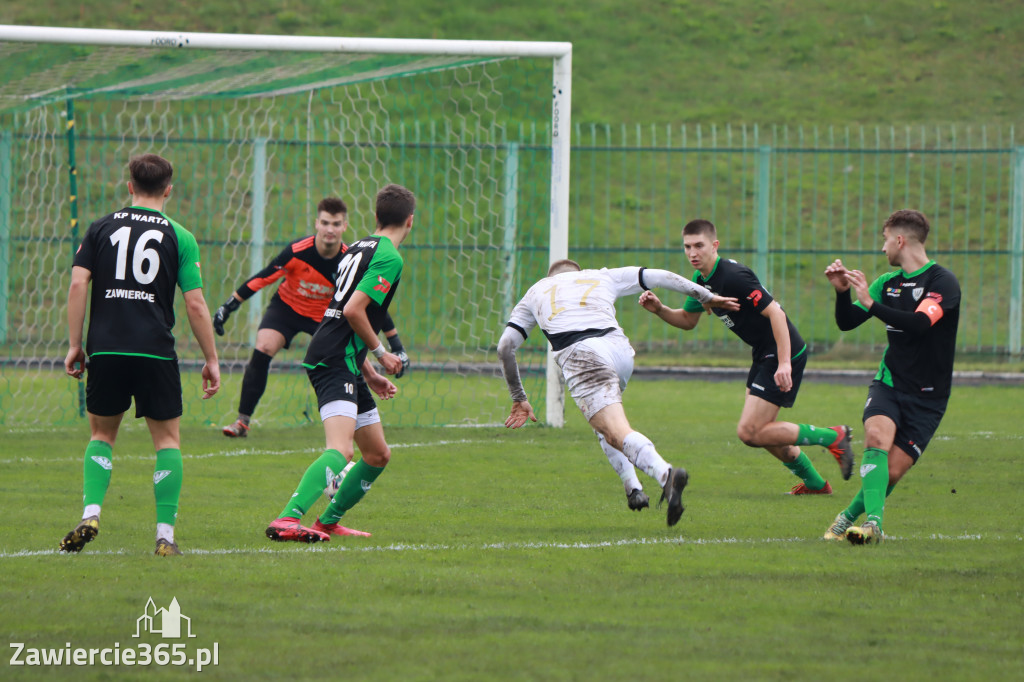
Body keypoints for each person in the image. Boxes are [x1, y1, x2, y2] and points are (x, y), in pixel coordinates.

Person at [60, 153, 221, 557]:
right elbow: (197, 305)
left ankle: (91, 513)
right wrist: (212, 359)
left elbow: (79, 285)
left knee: (102, 434)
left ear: (129, 186)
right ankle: (164, 536)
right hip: (154, 350)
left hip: (107, 348)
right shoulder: (179, 236)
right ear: (168, 190)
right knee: (167, 441)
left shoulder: (100, 229)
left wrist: (75, 343)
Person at [498, 259, 740, 527]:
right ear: (578, 273)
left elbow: (505, 346)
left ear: (550, 276)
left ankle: (665, 475)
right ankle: (633, 488)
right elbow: (660, 275)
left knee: (616, 430)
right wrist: (706, 296)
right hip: (619, 349)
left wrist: (519, 397)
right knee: (604, 425)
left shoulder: (537, 290)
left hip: (582, 354)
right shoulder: (601, 276)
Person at [639, 219, 855, 497]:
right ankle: (815, 484)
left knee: (750, 432)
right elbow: (688, 320)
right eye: (687, 246)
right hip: (763, 352)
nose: (693, 253)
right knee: (761, 432)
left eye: (699, 246)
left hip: (780, 349)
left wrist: (785, 362)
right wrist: (659, 309)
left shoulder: (733, 276)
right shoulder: (700, 280)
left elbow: (776, 312)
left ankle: (833, 436)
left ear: (714, 245)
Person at [264, 184, 415, 543]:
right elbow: (351, 310)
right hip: (334, 359)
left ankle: (327, 521)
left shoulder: (357, 248)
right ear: (410, 221)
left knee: (377, 454)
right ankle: (287, 518)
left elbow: (340, 312)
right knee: (341, 449)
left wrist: (369, 372)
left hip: (345, 358)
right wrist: (382, 353)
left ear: (376, 216)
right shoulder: (390, 257)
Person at [212, 197, 410, 438]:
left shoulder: (350, 257)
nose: (330, 229)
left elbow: (372, 305)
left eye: (336, 224)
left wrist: (396, 345)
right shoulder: (298, 251)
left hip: (324, 316)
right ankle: (242, 420)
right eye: (325, 222)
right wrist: (229, 306)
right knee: (263, 345)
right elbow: (264, 277)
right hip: (286, 309)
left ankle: (351, 413)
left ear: (344, 227)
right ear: (316, 223)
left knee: (342, 354)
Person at [821, 209, 960, 544]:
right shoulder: (888, 284)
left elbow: (920, 324)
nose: (883, 249)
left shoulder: (942, 282)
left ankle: (845, 518)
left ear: (900, 240)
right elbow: (846, 322)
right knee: (875, 438)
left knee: (892, 472)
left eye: (885, 240)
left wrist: (870, 303)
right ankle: (874, 525)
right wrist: (842, 292)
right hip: (889, 383)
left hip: (928, 395)